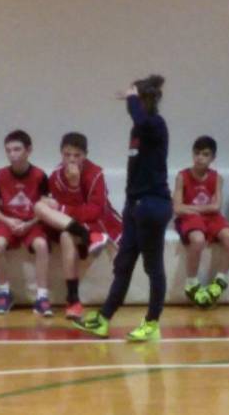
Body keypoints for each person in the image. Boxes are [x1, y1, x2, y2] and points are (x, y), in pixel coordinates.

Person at [74, 75, 172, 341]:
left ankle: (152, 323)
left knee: (153, 267)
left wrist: (131, 97)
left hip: (154, 205)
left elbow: (140, 118)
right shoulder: (138, 130)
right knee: (123, 263)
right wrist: (129, 203)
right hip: (135, 205)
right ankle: (104, 319)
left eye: (135, 97)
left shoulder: (155, 124)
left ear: (143, 99)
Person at [34, 132, 123, 321]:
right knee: (39, 207)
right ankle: (88, 237)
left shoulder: (95, 173)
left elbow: (94, 211)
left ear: (85, 155)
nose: (72, 160)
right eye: (67, 155)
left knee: (66, 234)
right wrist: (60, 206)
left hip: (96, 222)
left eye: (77, 155)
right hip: (72, 224)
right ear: (61, 154)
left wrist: (73, 186)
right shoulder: (56, 175)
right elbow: (59, 211)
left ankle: (72, 300)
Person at [0, 130, 53, 316]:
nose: (12, 154)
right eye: (8, 150)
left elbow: (46, 209)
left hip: (32, 222)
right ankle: (4, 293)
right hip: (8, 221)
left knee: (41, 245)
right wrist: (8, 220)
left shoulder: (40, 175)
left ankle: (42, 297)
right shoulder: (0, 175)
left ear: (28, 150)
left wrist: (29, 224)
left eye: (17, 149)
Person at [173, 135, 229, 308]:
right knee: (198, 239)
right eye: (197, 153)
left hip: (210, 217)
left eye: (205, 154)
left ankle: (220, 280)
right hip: (190, 218)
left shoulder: (217, 178)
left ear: (213, 158)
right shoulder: (182, 176)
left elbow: (217, 207)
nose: (200, 158)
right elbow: (177, 208)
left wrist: (191, 207)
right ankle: (191, 283)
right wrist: (203, 209)